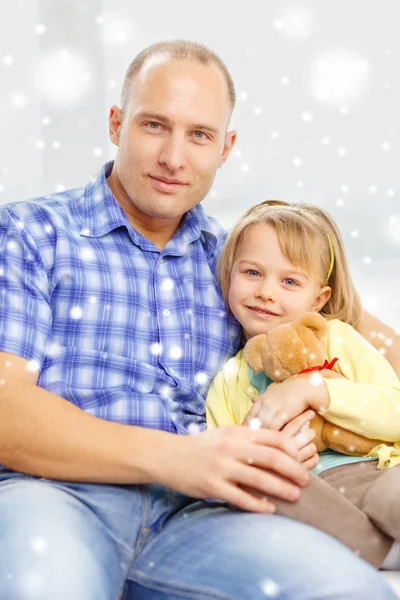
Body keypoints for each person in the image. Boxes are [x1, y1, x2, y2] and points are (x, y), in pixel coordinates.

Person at [0, 40, 397, 600]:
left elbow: (366, 336)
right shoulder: (29, 232)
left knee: (351, 592)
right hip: (58, 496)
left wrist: (315, 396)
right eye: (154, 125)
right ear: (116, 124)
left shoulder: (241, 260)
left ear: (226, 147)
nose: (174, 158)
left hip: (208, 517)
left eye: (200, 135)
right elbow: (4, 408)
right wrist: (179, 457)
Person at [206, 199, 400, 570]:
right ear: (229, 273)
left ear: (319, 298)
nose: (266, 291)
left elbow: (394, 411)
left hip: (376, 470)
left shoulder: (339, 340)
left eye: (289, 281)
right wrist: (256, 446)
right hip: (308, 490)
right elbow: (226, 468)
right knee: (274, 497)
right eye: (251, 273)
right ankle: (385, 554)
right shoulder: (230, 377)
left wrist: (317, 389)